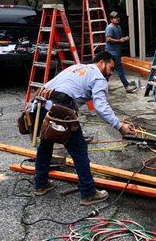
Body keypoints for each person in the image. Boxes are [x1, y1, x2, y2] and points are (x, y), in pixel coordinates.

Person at [34, 51, 136, 206]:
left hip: (42, 105)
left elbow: (49, 85)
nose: (111, 72)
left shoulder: (77, 67)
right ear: (102, 62)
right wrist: (120, 126)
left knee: (46, 144)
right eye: (110, 67)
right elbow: (101, 106)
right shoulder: (98, 77)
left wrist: (32, 106)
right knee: (79, 149)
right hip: (61, 110)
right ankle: (88, 193)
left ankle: (40, 184)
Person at [105, 11, 137, 93]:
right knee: (120, 69)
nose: (117, 19)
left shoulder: (118, 27)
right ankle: (127, 86)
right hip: (111, 53)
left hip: (116, 52)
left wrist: (124, 38)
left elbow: (118, 38)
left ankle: (103, 86)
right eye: (115, 18)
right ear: (111, 19)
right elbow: (108, 39)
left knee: (108, 71)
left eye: (117, 17)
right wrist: (120, 40)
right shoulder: (110, 28)